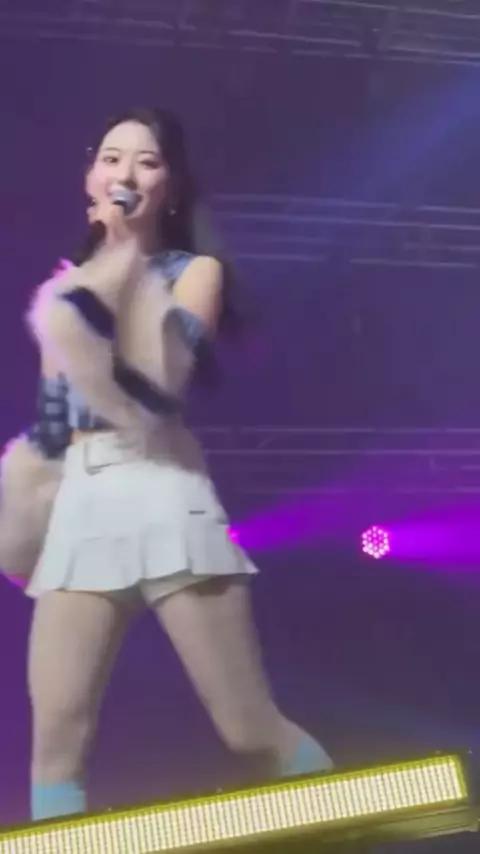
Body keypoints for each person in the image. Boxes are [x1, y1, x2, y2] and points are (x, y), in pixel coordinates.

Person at [0, 108, 333, 822]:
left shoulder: (195, 273)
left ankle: (351, 822)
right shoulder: (64, 289)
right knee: (55, 746)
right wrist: (21, 514)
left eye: (146, 161)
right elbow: (55, 423)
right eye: (110, 158)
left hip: (160, 491)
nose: (124, 172)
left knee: (248, 729)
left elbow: (155, 386)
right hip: (83, 506)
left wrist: (116, 262)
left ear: (171, 189)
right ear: (90, 179)